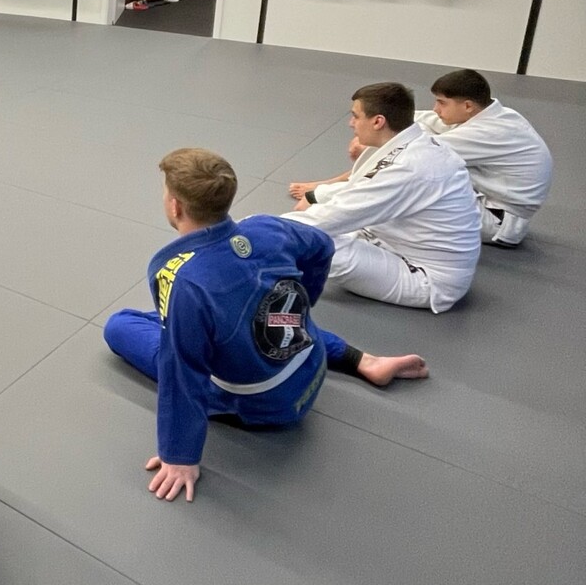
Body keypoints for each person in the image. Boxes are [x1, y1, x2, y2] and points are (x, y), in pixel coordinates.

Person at [104, 149, 429, 503]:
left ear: (175, 206)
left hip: (265, 404)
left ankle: (209, 330)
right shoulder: (265, 227)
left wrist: (179, 455)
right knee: (267, 314)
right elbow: (321, 246)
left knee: (120, 325)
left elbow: (182, 371)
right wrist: (303, 302)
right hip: (309, 362)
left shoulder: (184, 280)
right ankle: (361, 359)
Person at [293, 70, 553, 249]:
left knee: (395, 156)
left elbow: (406, 149)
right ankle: (336, 189)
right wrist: (379, 118)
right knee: (394, 132)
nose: (436, 109)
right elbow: (414, 119)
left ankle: (332, 191)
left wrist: (322, 192)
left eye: (442, 103)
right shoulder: (494, 113)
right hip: (488, 197)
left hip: (499, 221)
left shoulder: (489, 133)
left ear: (467, 106)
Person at [284, 82, 480, 312]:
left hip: (426, 278)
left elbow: (339, 214)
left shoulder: (410, 167)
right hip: (395, 243)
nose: (350, 123)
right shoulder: (410, 143)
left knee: (310, 243)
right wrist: (316, 196)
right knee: (304, 227)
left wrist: (255, 229)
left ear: (378, 121)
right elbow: (361, 190)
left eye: (355, 116)